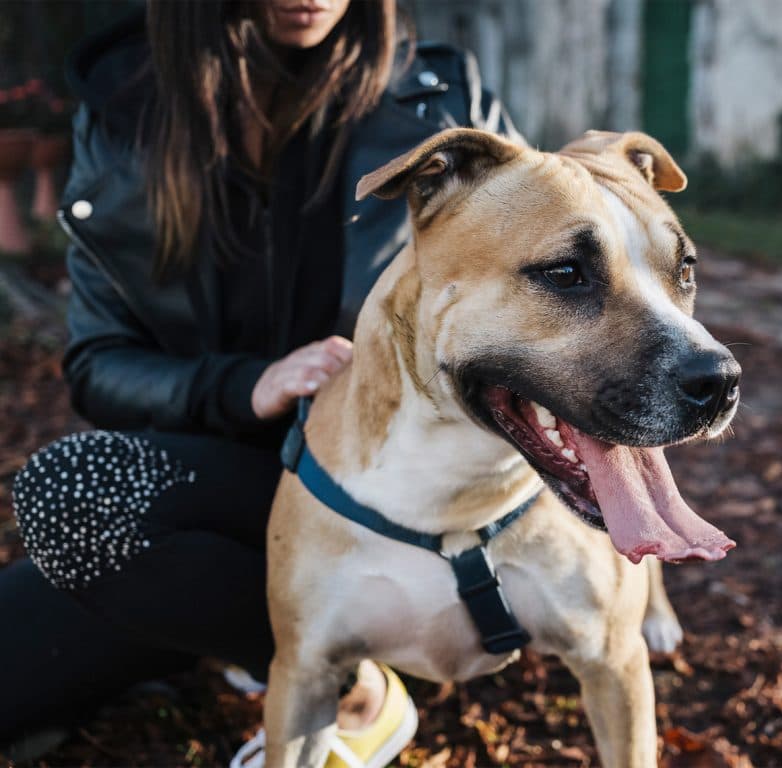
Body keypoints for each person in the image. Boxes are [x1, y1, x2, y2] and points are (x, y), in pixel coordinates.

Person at [0, 1, 519, 765]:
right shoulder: (124, 110)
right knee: (71, 504)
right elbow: (98, 362)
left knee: (72, 500)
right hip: (218, 507)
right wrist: (246, 386)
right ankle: (224, 639)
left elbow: (545, 302)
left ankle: (350, 688)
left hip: (384, 501)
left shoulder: (439, 102)